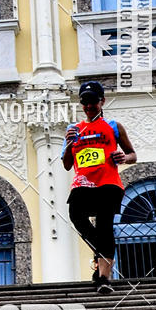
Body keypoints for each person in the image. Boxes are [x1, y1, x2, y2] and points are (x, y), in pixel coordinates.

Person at [62, 80, 137, 295]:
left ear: (102, 101)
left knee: (104, 226)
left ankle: (104, 278)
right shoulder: (73, 129)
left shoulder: (114, 126)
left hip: (108, 183)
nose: (88, 106)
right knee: (76, 216)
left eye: (93, 101)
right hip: (82, 184)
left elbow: (132, 154)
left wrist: (124, 157)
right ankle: (102, 252)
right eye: (84, 102)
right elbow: (67, 164)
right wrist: (68, 144)